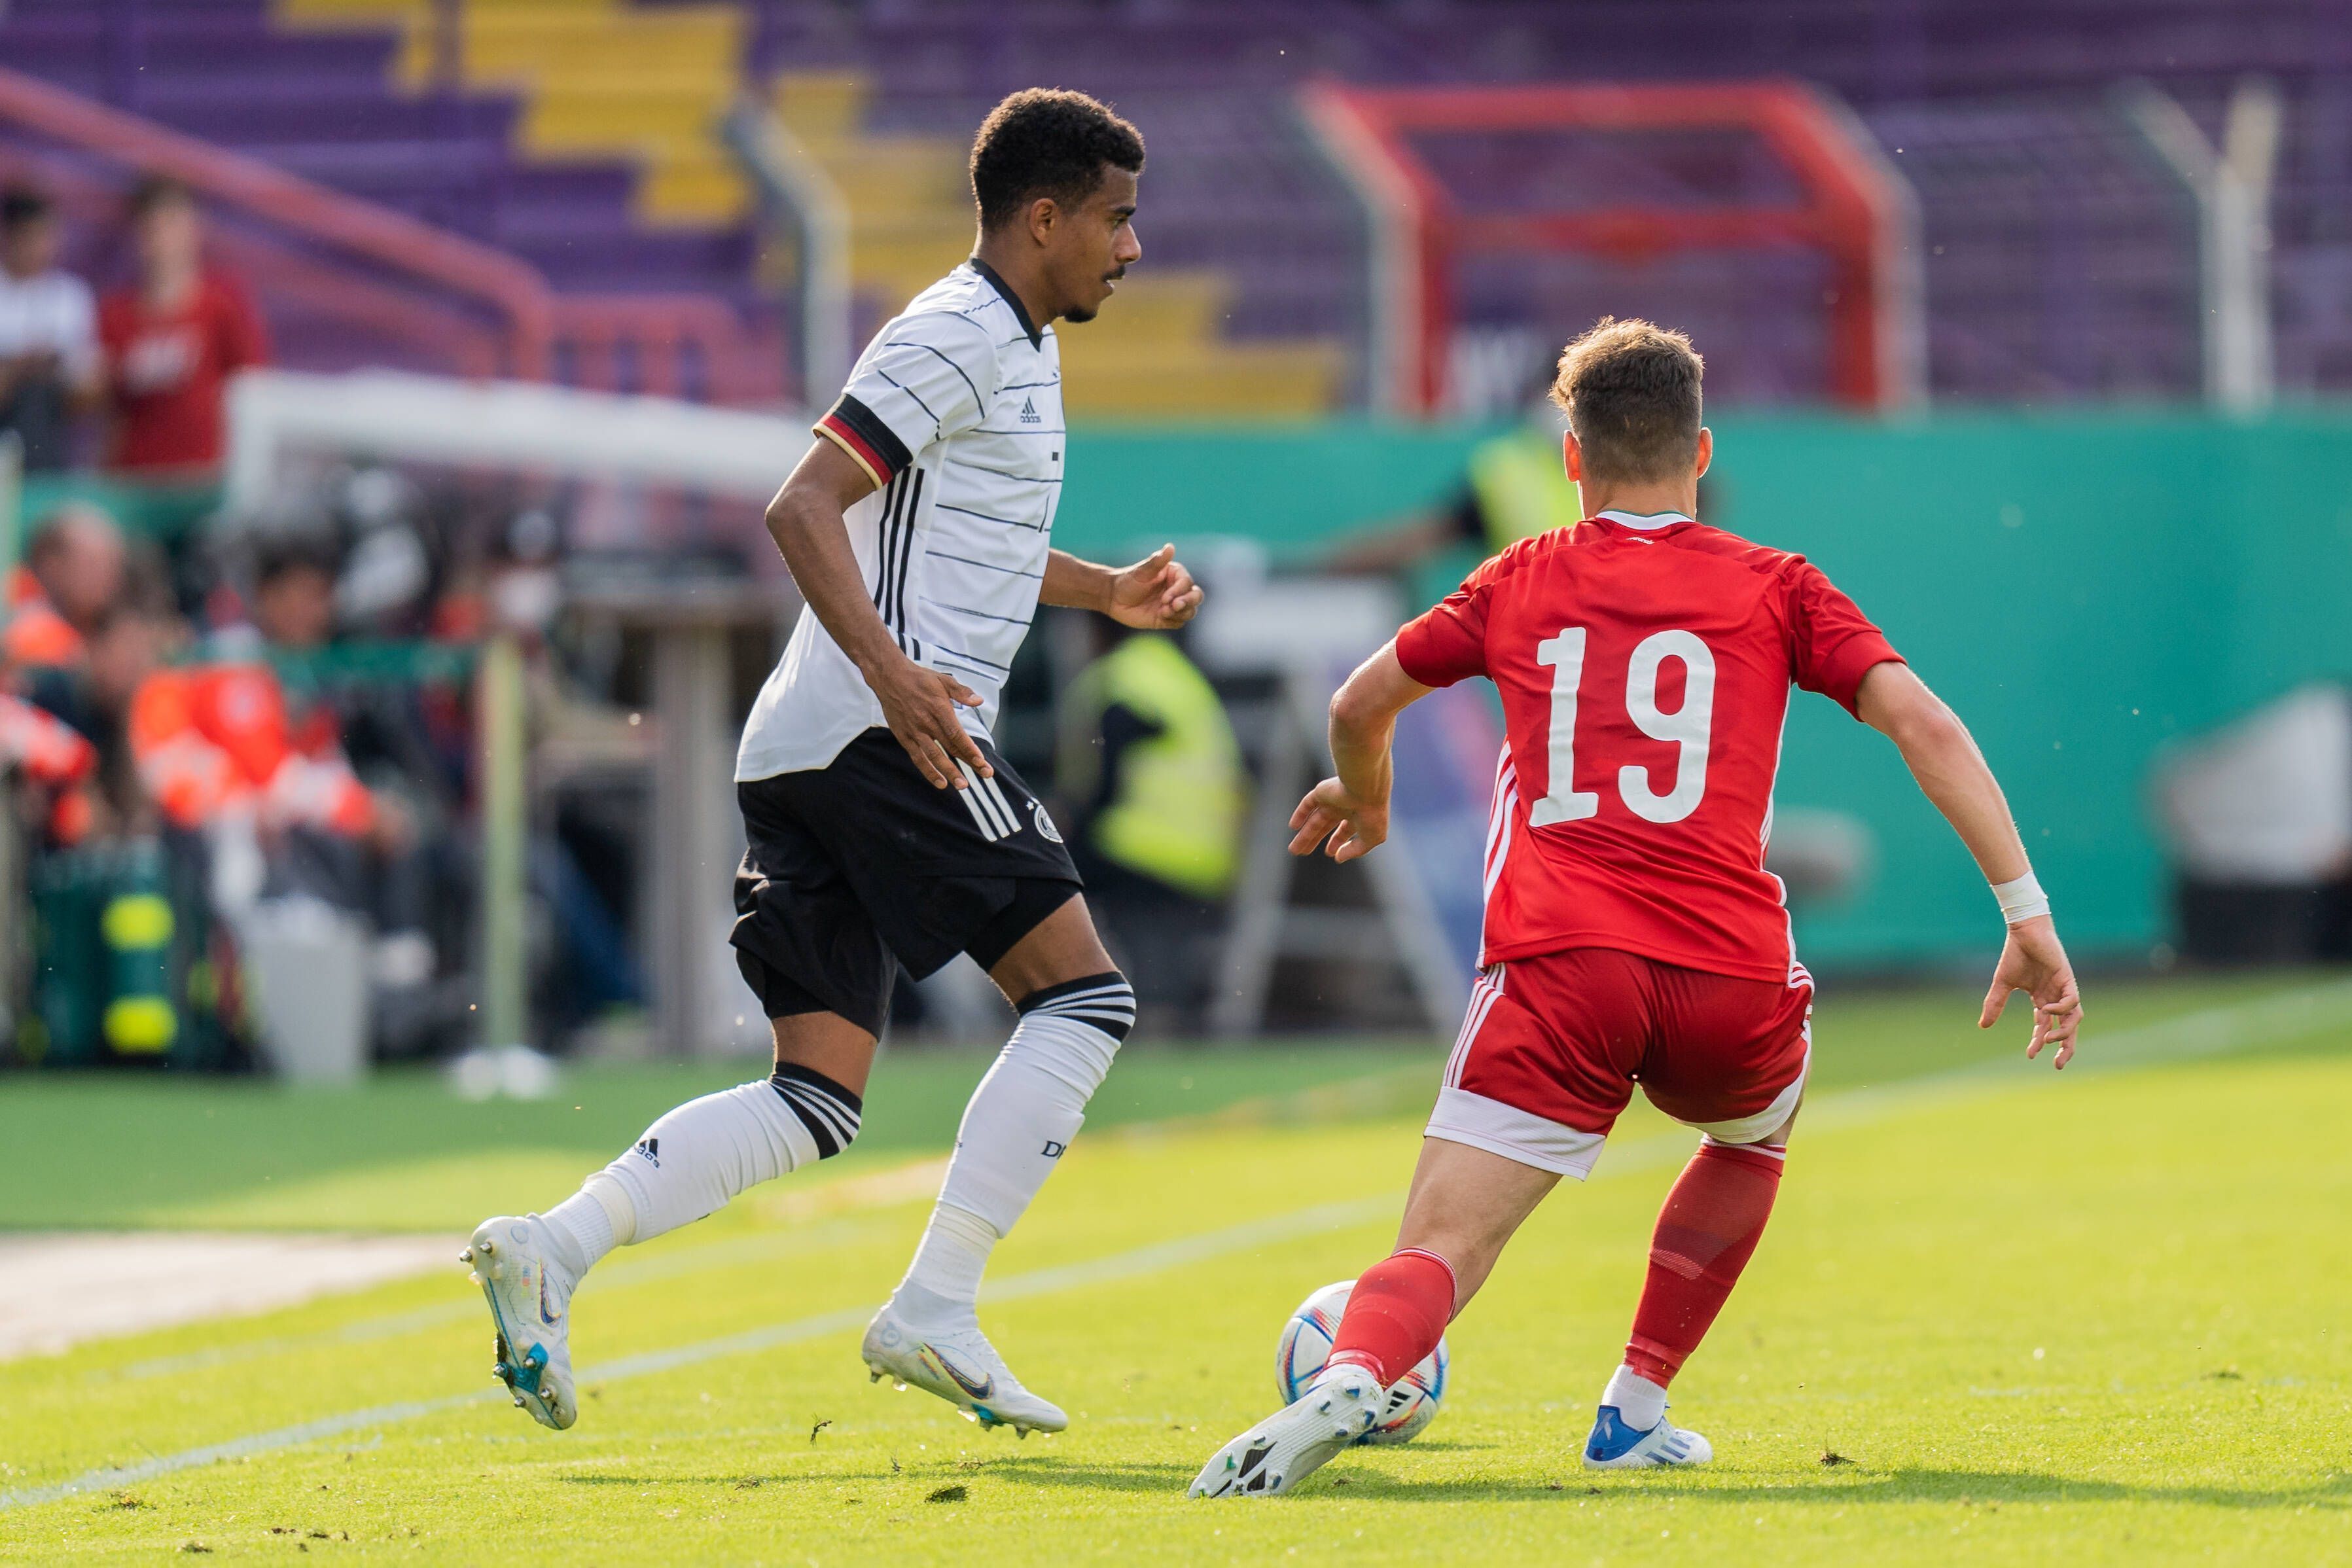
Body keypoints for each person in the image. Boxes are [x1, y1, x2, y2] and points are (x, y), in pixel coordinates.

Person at [1191, 318, 2083, 1497]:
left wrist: (1369, 797)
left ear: (1569, 459)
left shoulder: (1517, 575)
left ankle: (1356, 1370)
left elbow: (1360, 702)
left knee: (1443, 1249)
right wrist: (2022, 913)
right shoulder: (1778, 585)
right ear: (1700, 452)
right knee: (1754, 1131)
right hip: (1727, 977)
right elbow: (1924, 725)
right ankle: (1635, 1404)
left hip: (1558, 968)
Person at [465, 88, 1202, 1438]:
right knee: (1086, 1002)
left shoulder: (1015, 341)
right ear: (1043, 218)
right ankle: (937, 1303)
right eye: (1117, 219)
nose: (1131, 247)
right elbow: (802, 504)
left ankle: (548, 1247)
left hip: (813, 740)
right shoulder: (958, 329)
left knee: (815, 1096)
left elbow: (956, 537)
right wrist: (896, 677)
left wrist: (1102, 592)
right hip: (885, 731)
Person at [1056, 626, 1245, 1024]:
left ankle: (1061, 998)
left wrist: (1068, 825)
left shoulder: (1125, 677)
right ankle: (1160, 1008)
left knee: (1048, 871)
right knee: (1160, 947)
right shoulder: (1173, 673)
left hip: (1142, 845)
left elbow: (1107, 780)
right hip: (1205, 852)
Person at [98, 177, 269, 476]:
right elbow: (109, 412)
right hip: (137, 477)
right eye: (152, 228)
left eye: (171, 224)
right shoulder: (116, 315)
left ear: (194, 229)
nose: (162, 240)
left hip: (204, 477)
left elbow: (254, 389)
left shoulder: (222, 307)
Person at [0, 187, 103, 472]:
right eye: (29, 236)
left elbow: (88, 395)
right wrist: (22, 368)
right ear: (10, 236)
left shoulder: (71, 297)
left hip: (50, 448)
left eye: (46, 235)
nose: (39, 247)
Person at [3, 503, 128, 671]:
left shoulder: (116, 632)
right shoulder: (31, 636)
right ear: (52, 566)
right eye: (93, 564)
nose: (109, 576)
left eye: (114, 565)